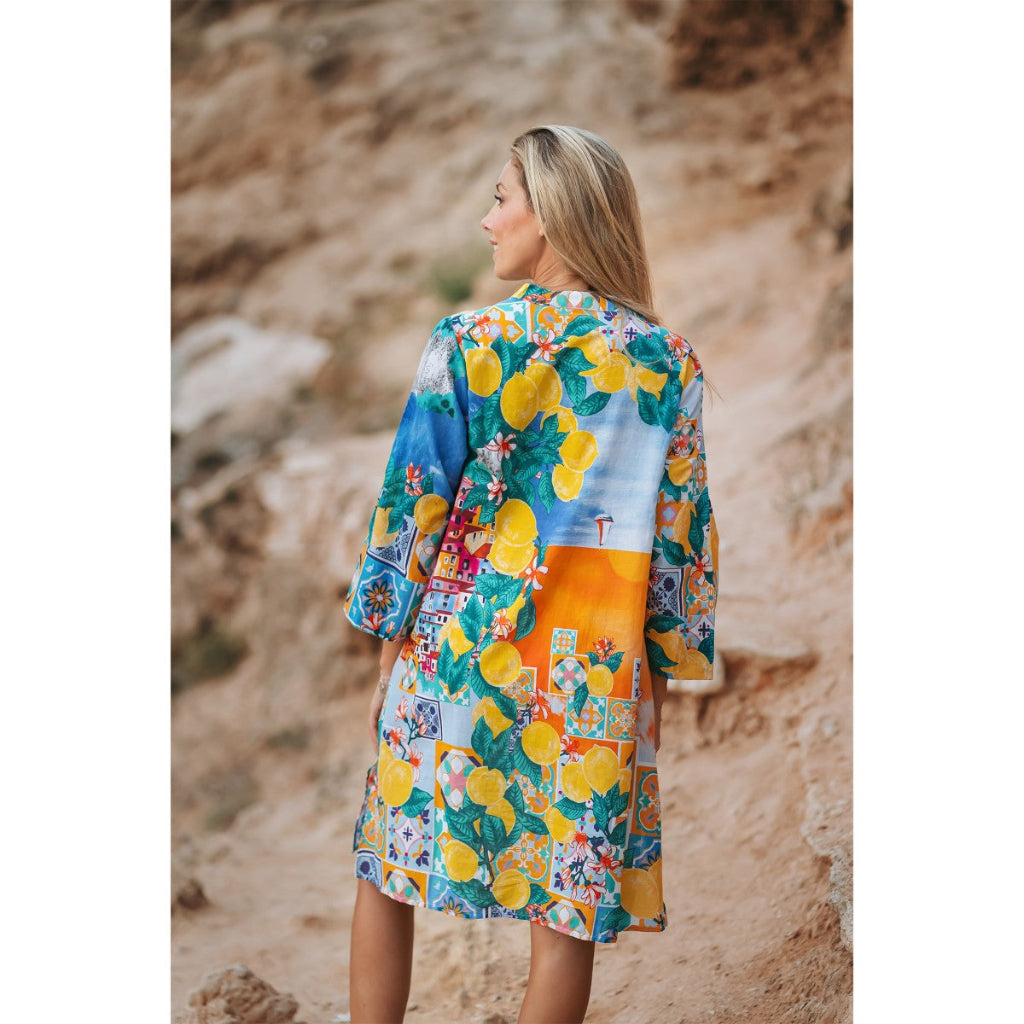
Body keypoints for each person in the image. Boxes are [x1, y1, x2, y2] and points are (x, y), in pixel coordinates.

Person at [343, 125, 718, 1024]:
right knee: (565, 913)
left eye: (501, 198)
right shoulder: (668, 362)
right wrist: (659, 677)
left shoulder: (467, 342)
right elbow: (680, 540)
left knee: (387, 869)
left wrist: (389, 651)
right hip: (594, 677)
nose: (487, 220)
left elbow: (413, 505)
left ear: (550, 212)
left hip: (457, 655)